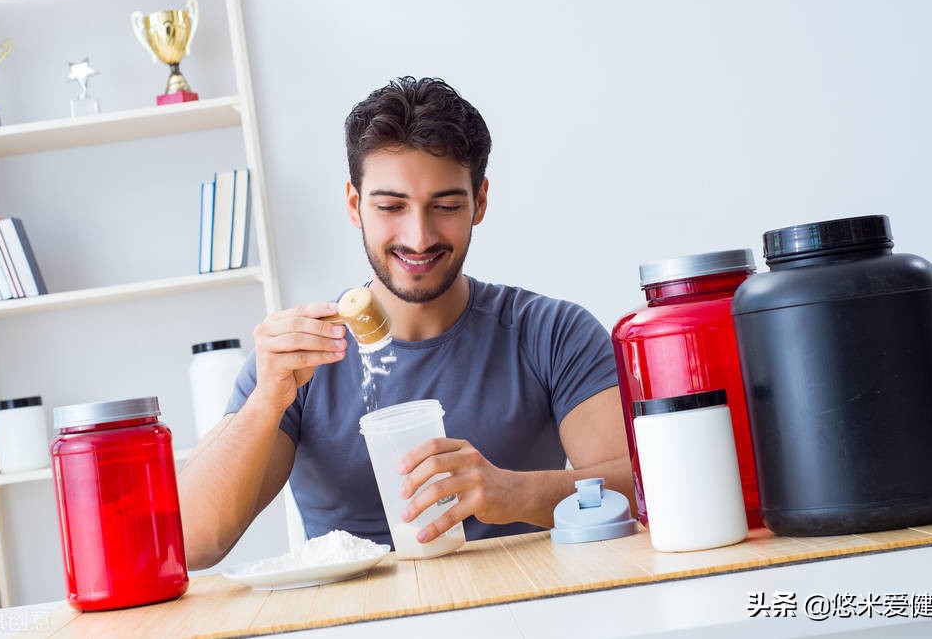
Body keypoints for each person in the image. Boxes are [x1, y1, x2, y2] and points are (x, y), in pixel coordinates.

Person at [179, 76, 634, 569]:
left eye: (446, 206)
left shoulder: (552, 333)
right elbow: (191, 545)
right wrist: (264, 403)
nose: (419, 237)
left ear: (480, 201)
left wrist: (516, 492)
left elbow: (646, 486)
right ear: (354, 205)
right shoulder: (297, 360)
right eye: (391, 207)